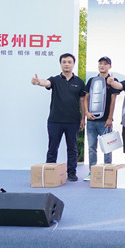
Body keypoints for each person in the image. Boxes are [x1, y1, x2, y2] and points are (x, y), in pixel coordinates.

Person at [31, 53, 86, 182]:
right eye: (64, 62)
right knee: (52, 148)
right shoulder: (55, 80)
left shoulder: (79, 82)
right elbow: (47, 83)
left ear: (73, 64)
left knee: (72, 148)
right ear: (60, 64)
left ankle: (71, 172)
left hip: (73, 121)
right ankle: (49, 171)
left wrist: (83, 118)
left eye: (69, 62)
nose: (66, 64)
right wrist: (39, 82)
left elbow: (82, 101)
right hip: (55, 120)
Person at [81, 56, 119, 181]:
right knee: (92, 148)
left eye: (105, 64)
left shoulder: (112, 81)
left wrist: (110, 118)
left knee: (107, 148)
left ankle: (108, 171)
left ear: (110, 66)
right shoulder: (92, 80)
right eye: (100, 63)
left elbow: (113, 100)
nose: (102, 66)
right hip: (91, 121)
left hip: (105, 121)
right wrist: (87, 113)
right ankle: (92, 172)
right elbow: (86, 98)